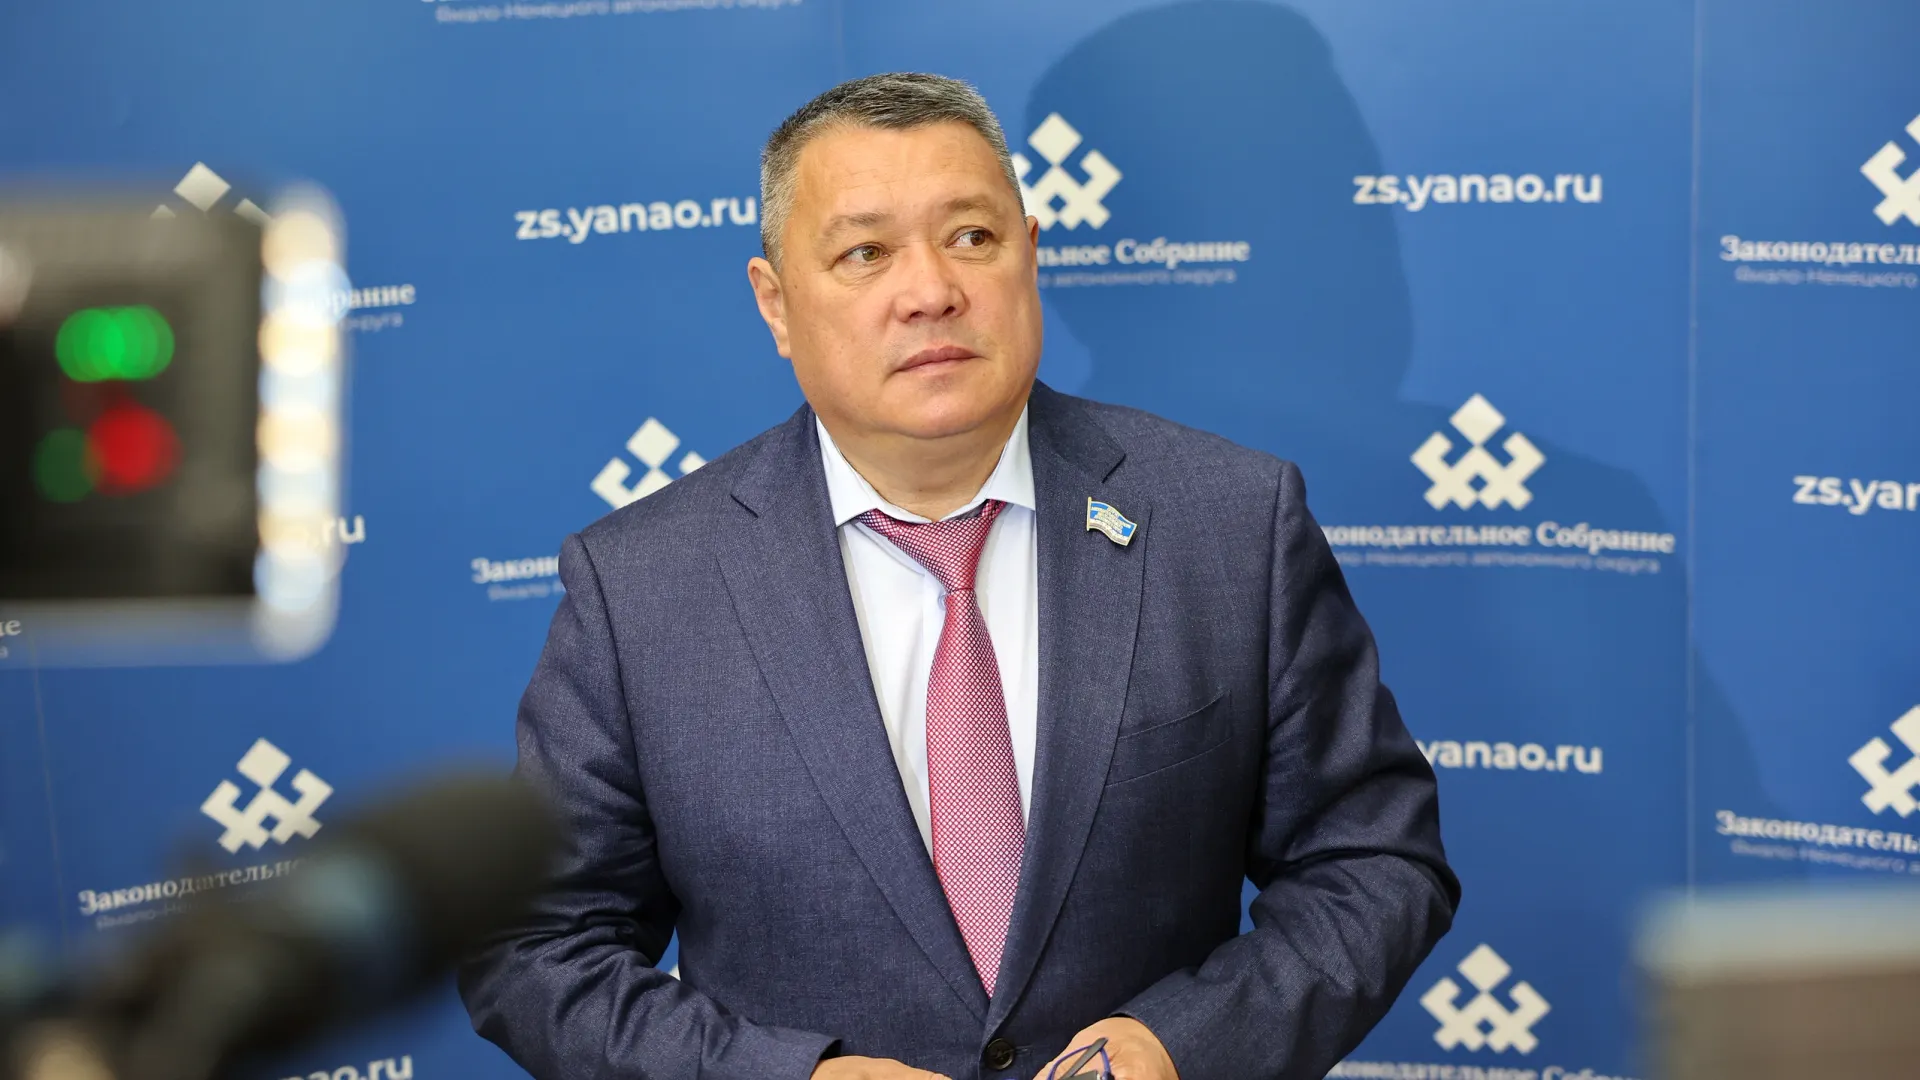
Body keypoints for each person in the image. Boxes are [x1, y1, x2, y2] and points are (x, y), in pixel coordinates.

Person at [458, 72, 1458, 1080]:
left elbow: (1372, 861)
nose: (931, 290)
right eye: (865, 253)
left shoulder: (1229, 523)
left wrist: (1183, 1048)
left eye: (972, 237)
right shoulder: (642, 586)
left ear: (1030, 253)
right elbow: (535, 947)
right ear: (776, 303)